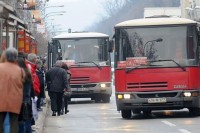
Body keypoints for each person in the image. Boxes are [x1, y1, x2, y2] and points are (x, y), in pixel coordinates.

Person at [0, 47, 24, 132]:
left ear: (5, 56)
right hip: (15, 100)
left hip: (1, 99)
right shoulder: (20, 70)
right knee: (14, 123)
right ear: (16, 57)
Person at [17, 52, 34, 133]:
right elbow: (30, 89)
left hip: (17, 100)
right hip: (26, 100)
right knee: (26, 120)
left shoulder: (15, 73)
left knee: (18, 121)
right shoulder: (27, 73)